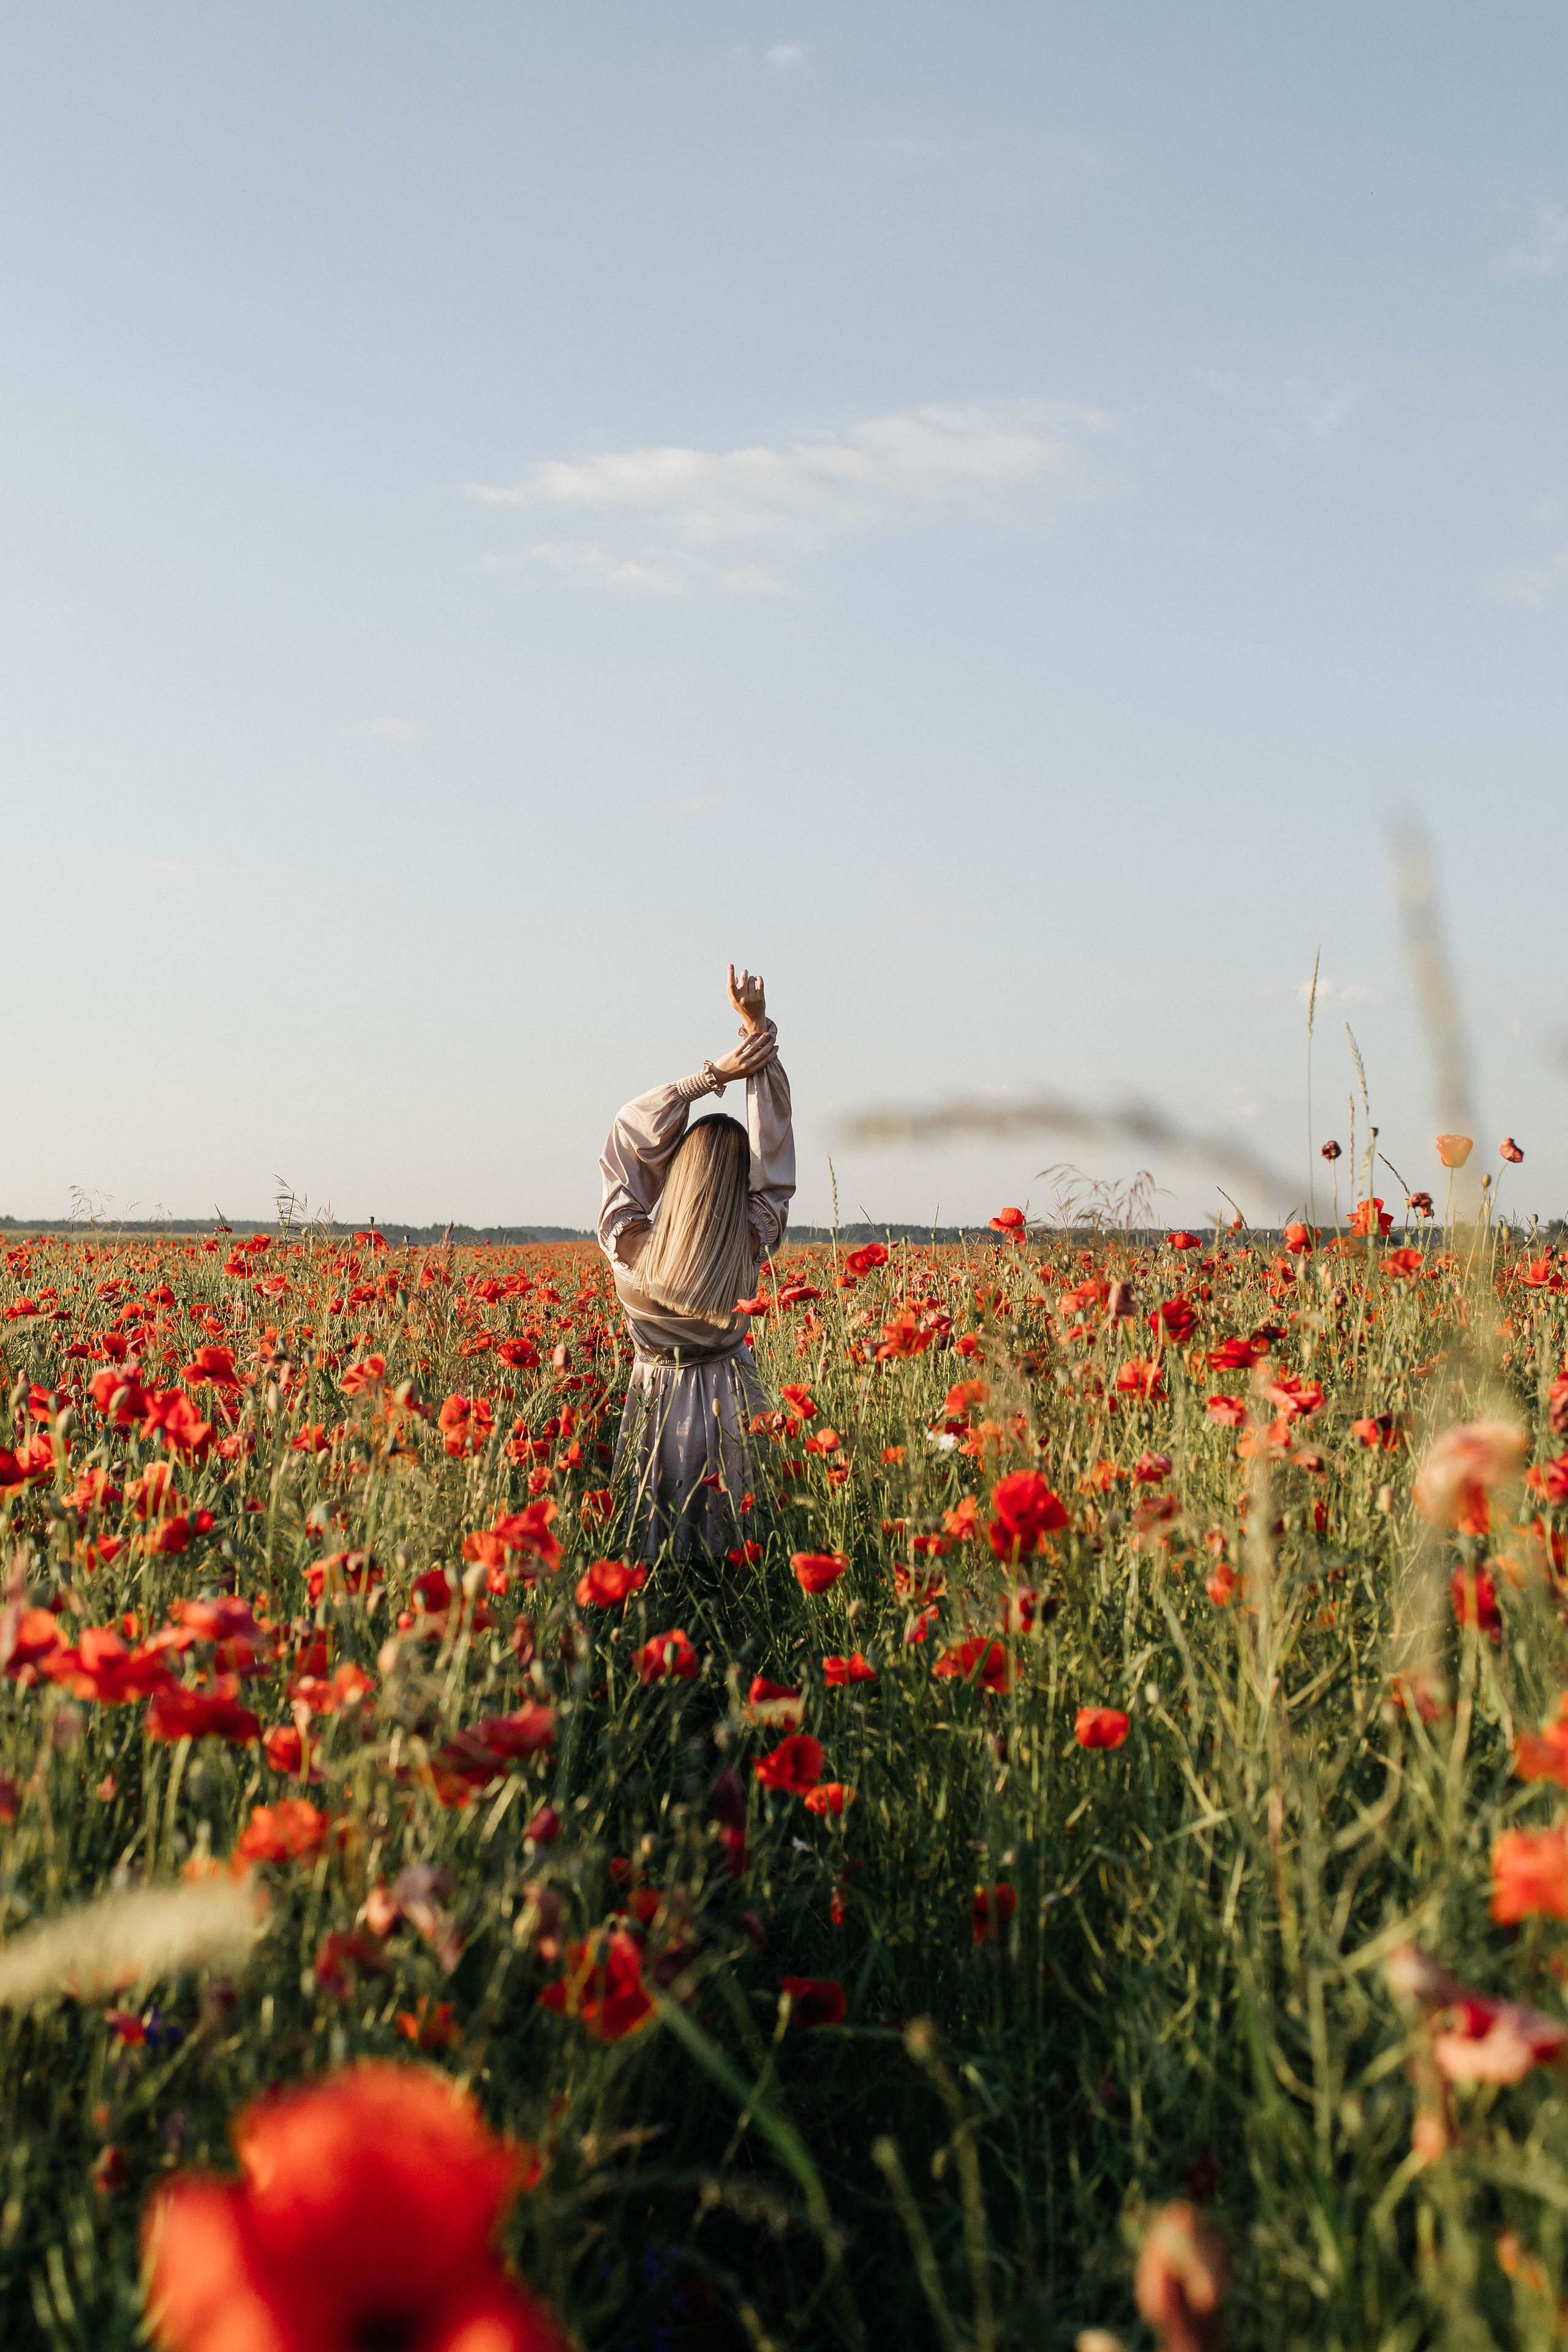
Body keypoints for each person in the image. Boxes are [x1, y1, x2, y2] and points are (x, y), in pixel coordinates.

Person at [598, 966, 795, 1558]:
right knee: (733, 1554)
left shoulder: (625, 1248)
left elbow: (625, 1134)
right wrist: (755, 1034)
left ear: (676, 1174)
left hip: (654, 1402)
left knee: (653, 1550)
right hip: (729, 1401)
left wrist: (709, 1078)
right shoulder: (751, 1242)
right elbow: (775, 1161)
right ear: (741, 1188)